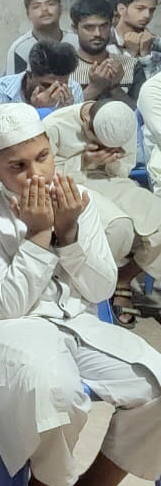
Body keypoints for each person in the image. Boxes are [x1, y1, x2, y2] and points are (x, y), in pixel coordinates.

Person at [0, 102, 161, 485]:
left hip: (76, 325)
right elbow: (8, 307)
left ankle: (93, 482)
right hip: (6, 331)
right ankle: (47, 481)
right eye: (18, 166)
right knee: (58, 396)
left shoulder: (79, 203)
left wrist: (68, 233)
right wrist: (38, 235)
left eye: (42, 157)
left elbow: (100, 289)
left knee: (156, 384)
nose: (37, 174)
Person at [43, 99, 161, 328]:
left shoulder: (123, 121)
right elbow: (43, 174)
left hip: (109, 180)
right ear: (86, 119)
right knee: (120, 227)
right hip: (69, 183)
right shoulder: (55, 125)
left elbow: (124, 171)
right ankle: (90, 287)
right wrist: (84, 160)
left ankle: (122, 278)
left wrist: (112, 162)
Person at [65, 0, 136, 104]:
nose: (97, 33)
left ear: (111, 25)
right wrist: (95, 88)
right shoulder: (62, 68)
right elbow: (57, 112)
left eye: (103, 26)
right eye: (89, 27)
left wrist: (114, 87)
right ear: (75, 28)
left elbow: (141, 112)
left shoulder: (131, 65)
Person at [0, 40, 84, 110]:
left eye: (62, 85)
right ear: (29, 75)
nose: (55, 92)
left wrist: (66, 113)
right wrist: (38, 110)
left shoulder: (73, 90)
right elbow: (2, 134)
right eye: (46, 85)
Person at [4, 0, 80, 75]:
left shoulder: (77, 41)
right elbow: (14, 83)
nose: (44, 9)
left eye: (50, 4)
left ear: (60, 9)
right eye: (36, 6)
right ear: (28, 14)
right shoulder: (20, 49)